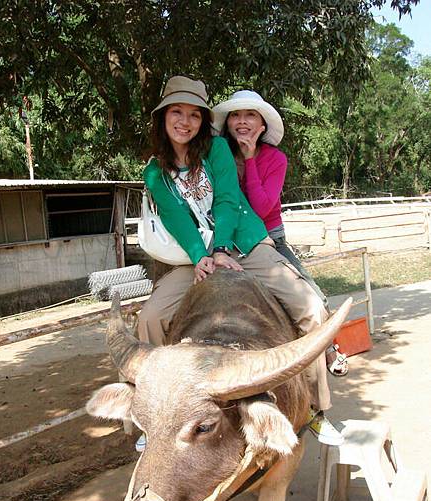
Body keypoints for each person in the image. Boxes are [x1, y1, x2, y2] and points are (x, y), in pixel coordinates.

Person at [137, 75, 343, 447]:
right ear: (163, 117)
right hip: (194, 257)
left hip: (242, 243)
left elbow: (228, 200)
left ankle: (316, 408)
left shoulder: (216, 150)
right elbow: (176, 218)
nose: (185, 122)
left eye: (194, 115)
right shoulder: (154, 171)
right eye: (177, 113)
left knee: (312, 307)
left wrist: (219, 249)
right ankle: (150, 419)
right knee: (150, 319)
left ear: (203, 121)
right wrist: (201, 256)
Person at [212, 90, 348, 377]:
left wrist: (249, 159)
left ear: (262, 125)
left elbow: (262, 208)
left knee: (312, 293)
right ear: (227, 122)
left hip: (268, 238)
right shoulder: (217, 154)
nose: (242, 121)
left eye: (250, 115)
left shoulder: (275, 159)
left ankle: (328, 348)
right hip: (221, 238)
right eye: (235, 115)